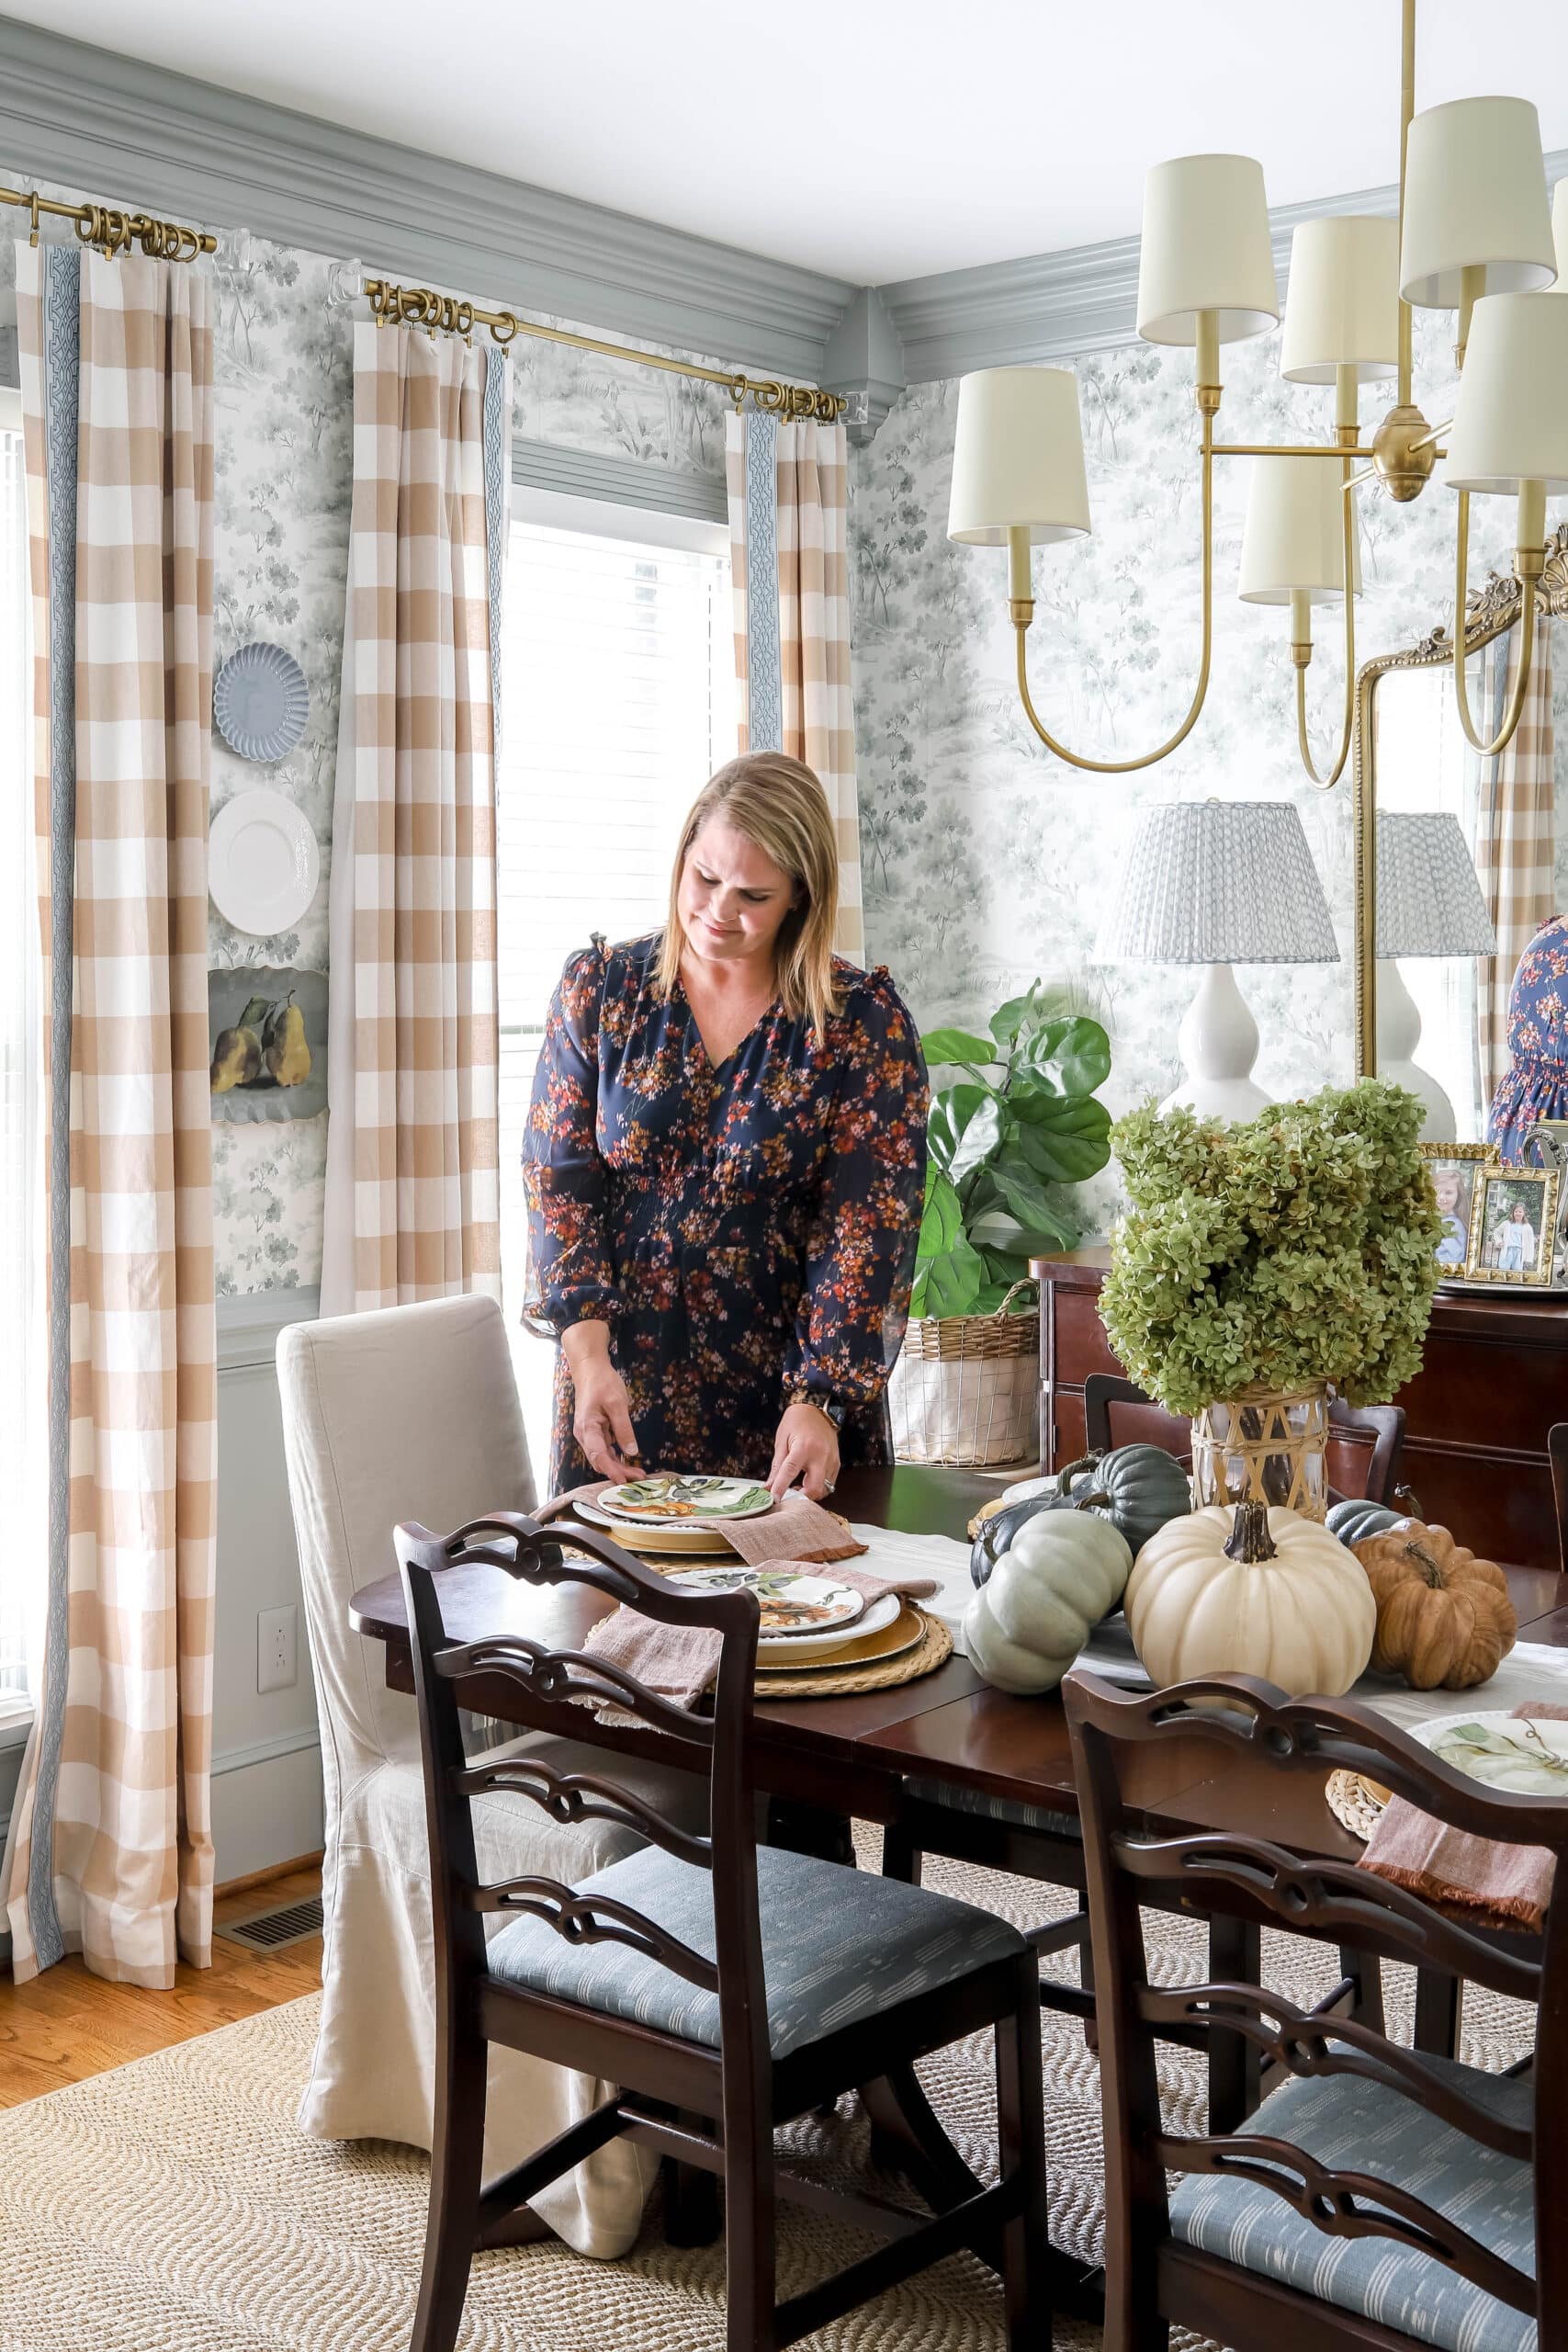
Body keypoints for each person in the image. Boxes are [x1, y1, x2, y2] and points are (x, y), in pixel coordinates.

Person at [523, 752, 929, 1501]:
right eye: (704, 879)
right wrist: (587, 1362)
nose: (717, 911)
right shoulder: (602, 993)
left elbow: (866, 1225)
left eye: (753, 895)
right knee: (612, 1614)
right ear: (681, 857)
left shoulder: (859, 1024)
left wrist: (821, 1396)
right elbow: (558, 1185)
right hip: (615, 1387)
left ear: (799, 899)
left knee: (794, 1613)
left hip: (788, 1407)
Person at [1431, 1165, 1470, 1270]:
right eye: (1437, 1192)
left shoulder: (1453, 1225)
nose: (1441, 1197)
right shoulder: (1437, 1219)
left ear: (1459, 1196)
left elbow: (1448, 1263)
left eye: (1448, 1193)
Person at [1492, 1196, 1537, 1273]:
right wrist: (1499, 1241)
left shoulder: (1527, 1227)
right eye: (1516, 1211)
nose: (1518, 1213)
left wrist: (1529, 1258)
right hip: (1507, 1251)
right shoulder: (1507, 1223)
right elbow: (1496, 1232)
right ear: (1513, 1213)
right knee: (1503, 1271)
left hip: (1519, 1253)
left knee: (1516, 1274)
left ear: (1524, 1213)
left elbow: (1530, 1243)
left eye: (1520, 1212)